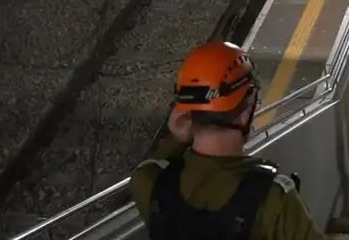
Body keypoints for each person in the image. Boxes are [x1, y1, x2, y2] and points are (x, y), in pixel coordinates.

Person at [129, 41, 326, 240]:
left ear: (186, 111)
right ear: (244, 114)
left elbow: (148, 167)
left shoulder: (149, 185)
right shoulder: (274, 200)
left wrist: (177, 139)